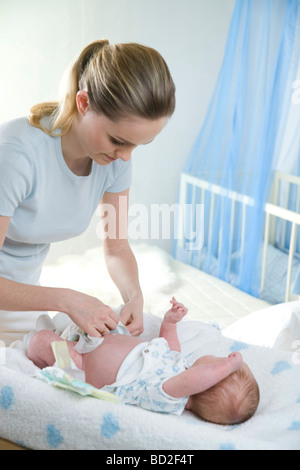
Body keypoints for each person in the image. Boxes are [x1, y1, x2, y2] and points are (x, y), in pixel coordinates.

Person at [0, 39, 176, 346]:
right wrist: (67, 300)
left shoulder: (112, 161)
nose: (126, 156)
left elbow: (117, 248)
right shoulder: (16, 155)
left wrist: (134, 295)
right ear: (84, 103)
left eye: (137, 145)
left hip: (21, 299)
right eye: (118, 140)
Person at [28, 298, 260, 425]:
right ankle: (67, 329)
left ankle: (45, 352)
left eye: (218, 367)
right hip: (105, 338)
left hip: (81, 365)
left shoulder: (172, 398)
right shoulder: (176, 366)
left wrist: (228, 365)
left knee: (42, 341)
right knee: (103, 312)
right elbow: (169, 344)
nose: (217, 362)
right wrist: (170, 322)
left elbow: (193, 379)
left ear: (207, 380)